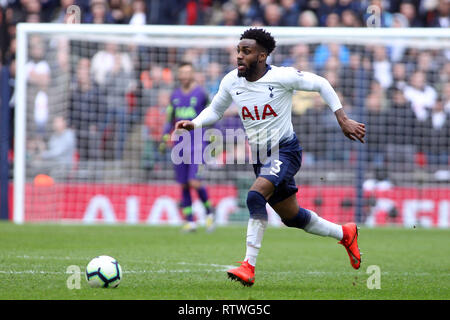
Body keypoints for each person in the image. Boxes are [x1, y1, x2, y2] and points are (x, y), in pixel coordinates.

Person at [174, 28, 365, 286]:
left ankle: (248, 266)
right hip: (261, 158)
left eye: (246, 51)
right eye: (238, 51)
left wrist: (342, 118)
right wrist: (194, 124)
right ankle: (345, 233)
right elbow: (216, 110)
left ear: (262, 56)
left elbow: (321, 83)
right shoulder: (231, 81)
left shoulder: (282, 77)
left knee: (254, 196)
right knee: (292, 217)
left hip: (285, 150)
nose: (239, 56)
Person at [160, 62, 215, 233]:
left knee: (194, 182)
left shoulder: (202, 94)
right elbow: (170, 118)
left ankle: (209, 212)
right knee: (184, 184)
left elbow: (213, 113)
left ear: (193, 74)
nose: (184, 75)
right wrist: (164, 136)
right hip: (179, 145)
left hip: (198, 143)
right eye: (181, 72)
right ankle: (190, 221)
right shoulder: (174, 95)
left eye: (187, 72)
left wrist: (214, 136)